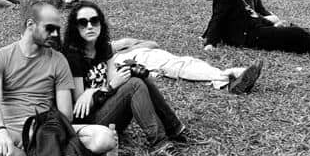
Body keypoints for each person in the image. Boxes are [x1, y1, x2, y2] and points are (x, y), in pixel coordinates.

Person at [0, 3, 116, 156]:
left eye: (57, 29)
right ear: (31, 24)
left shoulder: (59, 60)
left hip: (47, 132)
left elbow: (66, 115)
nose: (55, 34)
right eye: (50, 28)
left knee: (105, 138)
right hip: (11, 131)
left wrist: (43, 132)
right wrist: (0, 131)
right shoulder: (0, 57)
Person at [62, 2, 192, 156]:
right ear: (75, 27)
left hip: (111, 113)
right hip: (92, 127)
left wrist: (94, 90)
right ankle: (159, 143)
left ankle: (175, 129)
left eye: (94, 21)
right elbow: (81, 108)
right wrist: (108, 88)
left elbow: (114, 80)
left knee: (138, 76)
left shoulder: (103, 47)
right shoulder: (73, 56)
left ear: (101, 23)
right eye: (83, 23)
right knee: (134, 85)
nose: (90, 26)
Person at [110, 38, 263, 94]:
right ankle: (230, 79)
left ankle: (230, 77)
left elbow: (153, 44)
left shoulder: (114, 45)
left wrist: (125, 46)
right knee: (178, 68)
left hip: (141, 55)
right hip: (132, 64)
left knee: (184, 64)